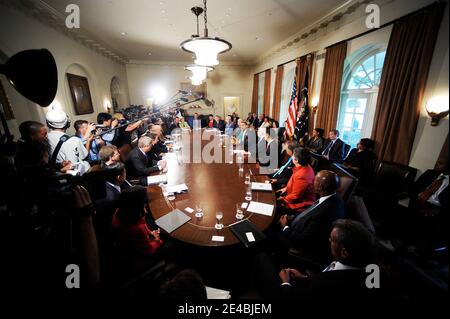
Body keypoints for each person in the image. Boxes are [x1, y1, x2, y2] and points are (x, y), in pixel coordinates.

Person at [256, 219, 376, 299]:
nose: (329, 241)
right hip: (308, 282)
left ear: (344, 252)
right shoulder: (373, 271)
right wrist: (305, 278)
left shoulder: (327, 284)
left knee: (261, 257)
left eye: (332, 239)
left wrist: (286, 282)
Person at [276, 170, 346, 262]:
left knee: (270, 234)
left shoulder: (324, 213)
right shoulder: (333, 197)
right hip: (298, 226)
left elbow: (303, 240)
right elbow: (309, 212)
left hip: (298, 243)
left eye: (315, 181)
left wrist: (285, 227)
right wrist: (293, 217)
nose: (312, 182)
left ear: (320, 187)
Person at [112, 186, 164, 276]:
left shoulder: (121, 211)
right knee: (171, 245)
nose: (146, 204)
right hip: (140, 258)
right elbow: (150, 250)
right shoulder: (136, 229)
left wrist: (150, 232)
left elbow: (142, 221)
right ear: (137, 205)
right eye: (144, 202)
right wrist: (158, 240)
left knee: (154, 224)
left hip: (135, 242)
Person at [45, 106, 91, 174]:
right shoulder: (73, 140)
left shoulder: (45, 138)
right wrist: (89, 141)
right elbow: (84, 157)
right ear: (67, 123)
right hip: (76, 175)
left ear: (48, 124)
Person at [276, 148, 316, 213]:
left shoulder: (302, 175)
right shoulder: (305, 166)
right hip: (290, 195)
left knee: (274, 206)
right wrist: (286, 188)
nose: (291, 157)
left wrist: (283, 199)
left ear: (296, 160)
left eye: (293, 156)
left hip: (298, 204)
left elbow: (295, 196)